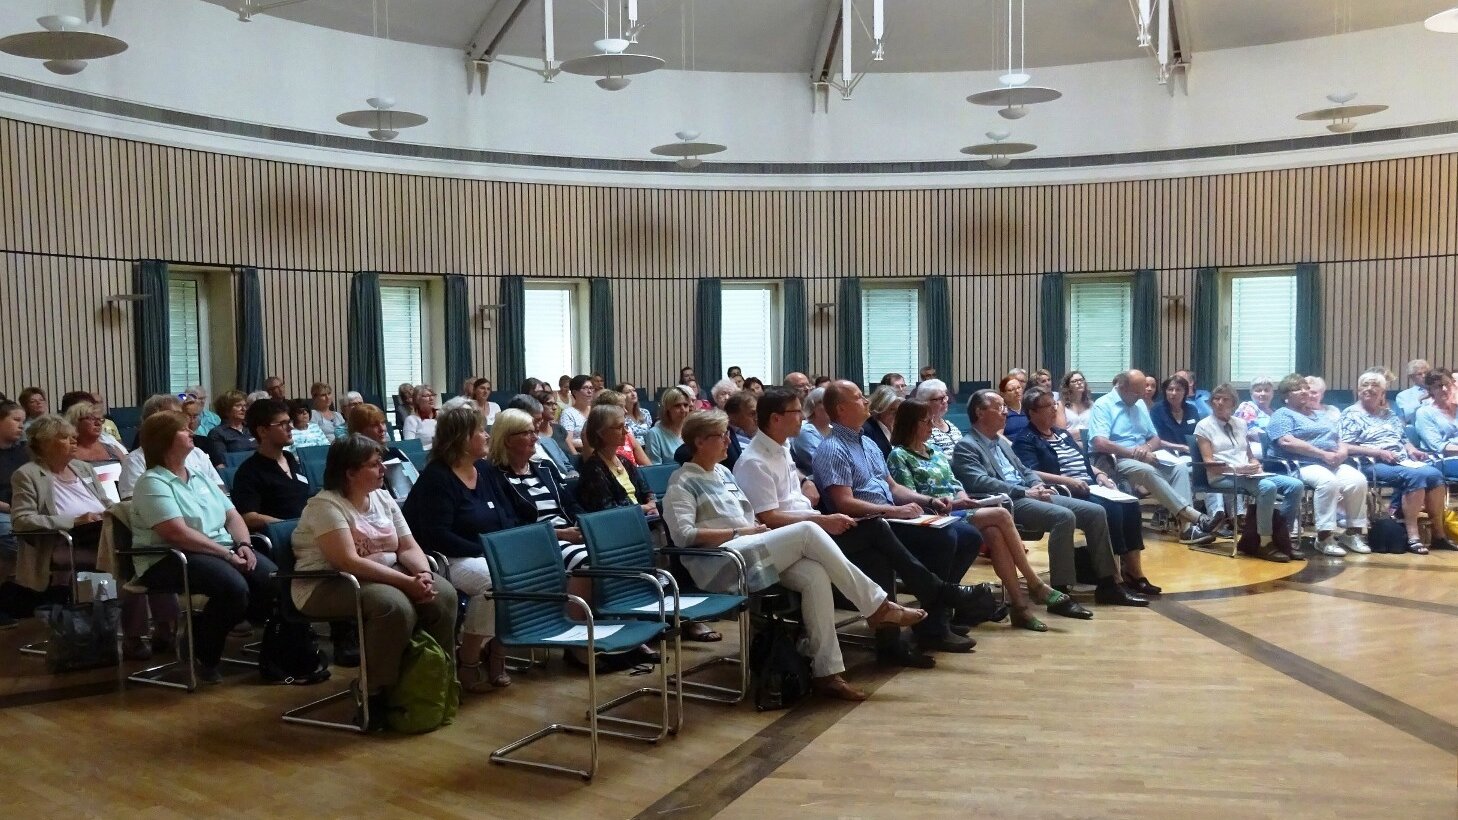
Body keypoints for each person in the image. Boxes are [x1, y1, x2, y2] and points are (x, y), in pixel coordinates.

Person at [665, 409, 927, 701]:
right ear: (699, 441)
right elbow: (684, 535)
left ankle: (828, 673)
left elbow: (745, 516)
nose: (728, 441)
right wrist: (740, 533)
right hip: (722, 562)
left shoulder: (724, 472)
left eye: (727, 434)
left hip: (750, 550)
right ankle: (877, 606)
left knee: (814, 575)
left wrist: (752, 529)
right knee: (808, 530)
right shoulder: (682, 482)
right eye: (721, 436)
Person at [736, 388, 988, 668]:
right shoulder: (761, 460)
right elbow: (769, 518)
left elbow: (891, 486)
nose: (803, 417)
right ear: (775, 419)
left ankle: (900, 636)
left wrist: (926, 500)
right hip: (805, 537)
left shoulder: (796, 448)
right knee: (926, 537)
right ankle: (938, 600)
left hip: (827, 529)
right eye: (797, 412)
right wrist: (828, 518)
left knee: (960, 536)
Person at [811, 380, 988, 653]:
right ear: (842, 409)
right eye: (859, 398)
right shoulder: (833, 448)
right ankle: (937, 619)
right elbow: (843, 503)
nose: (867, 401)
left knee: (969, 536)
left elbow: (893, 487)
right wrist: (895, 511)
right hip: (864, 525)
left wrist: (928, 500)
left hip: (889, 517)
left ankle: (938, 613)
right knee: (943, 538)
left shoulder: (868, 443)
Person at [292, 435, 457, 720]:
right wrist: (407, 583)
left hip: (383, 575)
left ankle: (435, 677)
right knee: (393, 606)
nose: (383, 468)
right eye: (374, 464)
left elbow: (407, 545)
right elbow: (347, 561)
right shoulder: (325, 506)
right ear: (350, 472)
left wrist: (424, 577)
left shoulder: (381, 496)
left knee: (444, 595)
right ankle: (373, 692)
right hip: (328, 582)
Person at [951, 390, 1146, 611]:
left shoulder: (1002, 442)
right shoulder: (967, 445)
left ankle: (1108, 584)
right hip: (1010, 502)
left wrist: (1036, 484)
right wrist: (1024, 492)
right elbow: (979, 482)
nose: (1006, 412)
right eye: (1000, 407)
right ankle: (1061, 590)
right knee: (1063, 517)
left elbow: (1025, 469)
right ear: (980, 412)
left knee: (1096, 512)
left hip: (1033, 493)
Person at [891, 398, 1064, 630]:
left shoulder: (935, 452)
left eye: (931, 421)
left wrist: (962, 497)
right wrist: (953, 502)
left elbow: (954, 482)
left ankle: (1020, 607)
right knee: (1001, 516)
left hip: (959, 508)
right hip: (936, 514)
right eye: (926, 421)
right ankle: (1034, 584)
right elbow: (909, 495)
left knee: (994, 531)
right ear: (910, 423)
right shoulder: (899, 456)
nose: (932, 426)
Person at [10, 414, 177, 654]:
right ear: (45, 443)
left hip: (102, 533)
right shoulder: (28, 474)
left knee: (156, 555)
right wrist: (74, 521)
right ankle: (134, 637)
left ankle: (165, 628)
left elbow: (106, 501)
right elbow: (23, 519)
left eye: (73, 437)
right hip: (63, 543)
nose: (74, 441)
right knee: (131, 563)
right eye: (65, 438)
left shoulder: (81, 467)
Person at [130, 411, 277, 683]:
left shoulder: (198, 476)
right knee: (233, 587)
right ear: (165, 440)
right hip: (169, 557)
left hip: (218, 550)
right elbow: (177, 534)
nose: (191, 433)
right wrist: (227, 554)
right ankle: (204, 655)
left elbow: (232, 515)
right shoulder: (152, 482)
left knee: (271, 580)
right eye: (184, 430)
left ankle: (204, 630)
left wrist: (243, 544)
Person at [402, 405, 532, 692]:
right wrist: (486, 550)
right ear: (462, 439)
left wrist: (505, 546)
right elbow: (438, 535)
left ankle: (498, 651)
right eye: (480, 431)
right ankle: (469, 658)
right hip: (449, 557)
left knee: (529, 572)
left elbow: (507, 512)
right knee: (492, 581)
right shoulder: (438, 477)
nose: (487, 436)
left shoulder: (484, 470)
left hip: (487, 551)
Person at [1013, 388, 1160, 594]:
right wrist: (1068, 480)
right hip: (1065, 489)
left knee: (1131, 506)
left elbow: (1083, 462)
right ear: (1032, 412)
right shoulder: (1026, 438)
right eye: (1047, 406)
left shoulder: (1062, 434)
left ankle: (1134, 572)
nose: (1054, 410)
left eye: (1054, 405)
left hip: (1089, 483)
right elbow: (1030, 471)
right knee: (1112, 510)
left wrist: (1100, 474)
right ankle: (1114, 576)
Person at [1088, 369, 1220, 545]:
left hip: (1145, 454)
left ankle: (1187, 529)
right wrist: (1134, 453)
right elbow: (1099, 442)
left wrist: (1146, 448)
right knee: (1147, 471)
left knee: (1179, 467)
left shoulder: (1140, 404)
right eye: (1137, 392)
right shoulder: (1103, 405)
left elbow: (1155, 438)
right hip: (1116, 458)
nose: (1141, 395)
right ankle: (1196, 517)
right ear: (1122, 387)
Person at [1195, 384, 1306, 562]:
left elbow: (1248, 454)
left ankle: (1281, 537)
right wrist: (1238, 469)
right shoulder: (1204, 426)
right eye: (1216, 398)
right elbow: (1209, 463)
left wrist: (1255, 464)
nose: (1220, 403)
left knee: (1296, 485)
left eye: (1225, 399)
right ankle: (1265, 542)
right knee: (1267, 488)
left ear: (1233, 403)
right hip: (1223, 475)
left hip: (1247, 473)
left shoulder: (1240, 424)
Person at [1340, 372, 1447, 554]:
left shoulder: (1388, 414)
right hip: (1370, 462)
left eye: (1374, 385)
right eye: (1365, 385)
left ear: (1382, 392)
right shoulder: (1350, 414)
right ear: (1358, 390)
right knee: (1415, 476)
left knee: (1435, 474)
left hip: (1400, 459)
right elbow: (1346, 446)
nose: (1369, 389)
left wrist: (1412, 449)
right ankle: (1413, 536)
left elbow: (1403, 438)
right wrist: (1378, 452)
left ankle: (1439, 535)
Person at [1267, 374, 1370, 557]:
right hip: (1300, 464)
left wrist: (1341, 452)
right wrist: (1322, 454)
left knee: (1358, 480)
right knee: (1328, 482)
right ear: (1286, 396)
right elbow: (1287, 442)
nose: (1305, 392)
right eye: (1298, 389)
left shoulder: (1320, 415)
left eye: (1306, 388)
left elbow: (1338, 439)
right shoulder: (1281, 415)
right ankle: (1324, 537)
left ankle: (1352, 533)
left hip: (1331, 460)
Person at [231, 399, 311, 532]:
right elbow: (249, 517)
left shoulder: (290, 459)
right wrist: (290, 526)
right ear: (262, 431)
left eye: (289, 421)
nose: (290, 427)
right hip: (282, 537)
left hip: (306, 530)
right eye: (282, 424)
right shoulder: (249, 472)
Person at [122, 394, 224, 498]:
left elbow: (220, 488)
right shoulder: (135, 460)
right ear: (155, 423)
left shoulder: (197, 453)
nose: (184, 422)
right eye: (174, 418)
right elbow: (132, 503)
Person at [575, 405, 657, 516]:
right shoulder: (593, 469)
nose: (626, 432)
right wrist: (645, 508)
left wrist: (652, 504)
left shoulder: (624, 461)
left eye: (626, 426)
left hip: (643, 517)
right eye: (619, 427)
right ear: (601, 432)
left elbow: (647, 490)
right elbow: (608, 509)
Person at [0, 400, 28, 625]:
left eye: (23, 421)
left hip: (21, 509)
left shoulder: (23, 453)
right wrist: (10, 508)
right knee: (14, 539)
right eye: (16, 420)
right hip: (4, 510)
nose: (21, 426)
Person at [509, 393, 575, 479]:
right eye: (535, 421)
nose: (537, 426)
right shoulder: (517, 450)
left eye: (540, 420)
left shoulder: (549, 441)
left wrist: (574, 476)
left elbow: (569, 467)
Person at [1415, 369, 1458, 479]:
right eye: (1438, 386)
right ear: (1430, 390)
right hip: (1441, 459)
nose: (1444, 389)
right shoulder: (1424, 413)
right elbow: (1437, 446)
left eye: (1447, 384)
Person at [589, 390, 651, 466]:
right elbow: (595, 463)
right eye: (621, 407)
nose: (625, 411)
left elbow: (648, 466)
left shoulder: (625, 430)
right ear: (607, 408)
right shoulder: (595, 430)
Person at [912, 379, 964, 458]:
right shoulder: (922, 428)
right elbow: (932, 457)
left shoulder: (949, 424)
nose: (945, 401)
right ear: (925, 402)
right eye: (940, 399)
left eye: (945, 397)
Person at [1151, 374, 1201, 453]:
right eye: (1170, 389)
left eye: (1178, 390)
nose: (1174, 393)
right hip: (1166, 453)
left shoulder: (1192, 409)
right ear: (1165, 392)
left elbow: (1199, 435)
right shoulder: (1157, 410)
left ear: (1185, 392)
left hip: (1191, 454)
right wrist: (1182, 447)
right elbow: (1154, 439)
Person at [643, 386, 692, 465]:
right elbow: (655, 468)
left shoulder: (692, 430)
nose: (683, 409)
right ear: (667, 409)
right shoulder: (654, 434)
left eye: (685, 405)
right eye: (677, 406)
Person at [791, 386, 831, 475]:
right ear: (813, 406)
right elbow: (823, 464)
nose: (831, 407)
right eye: (825, 402)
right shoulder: (805, 431)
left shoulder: (834, 429)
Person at [181, 397, 226, 469]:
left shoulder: (206, 442)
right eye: (188, 416)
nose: (192, 421)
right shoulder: (174, 444)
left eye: (195, 416)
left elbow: (220, 467)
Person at [207, 390, 257, 454]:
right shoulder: (217, 433)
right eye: (238, 405)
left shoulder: (251, 428)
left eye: (245, 405)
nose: (244, 409)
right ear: (226, 409)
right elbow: (221, 460)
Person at [557, 375, 595, 454]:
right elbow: (567, 441)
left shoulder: (595, 410)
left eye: (591, 388)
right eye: (585, 388)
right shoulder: (568, 413)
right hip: (579, 454)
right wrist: (576, 458)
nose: (589, 391)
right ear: (574, 392)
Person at [1234, 376, 1277, 443]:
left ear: (1272, 393)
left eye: (1266, 390)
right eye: (1258, 390)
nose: (1263, 393)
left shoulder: (1275, 412)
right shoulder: (1246, 407)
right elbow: (1252, 432)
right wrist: (1279, 439)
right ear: (1251, 393)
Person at [862, 385, 901, 458]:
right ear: (880, 408)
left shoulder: (897, 426)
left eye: (898, 410)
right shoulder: (867, 429)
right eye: (892, 410)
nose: (896, 414)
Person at [1060, 371, 1094, 436]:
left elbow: (1096, 430)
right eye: (1074, 381)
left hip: (1088, 442)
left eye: (1081, 380)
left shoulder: (1092, 405)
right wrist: (1083, 433)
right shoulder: (1061, 405)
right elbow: (1061, 433)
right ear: (1068, 386)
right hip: (1068, 443)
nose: (1079, 383)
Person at [998, 374, 1029, 439]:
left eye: (1019, 387)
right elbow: (998, 435)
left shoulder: (1028, 408)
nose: (1017, 391)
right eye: (1011, 390)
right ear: (1002, 394)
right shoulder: (1002, 412)